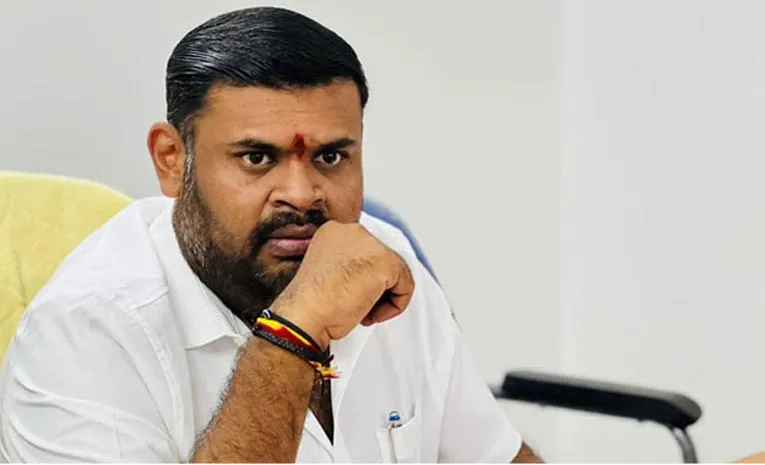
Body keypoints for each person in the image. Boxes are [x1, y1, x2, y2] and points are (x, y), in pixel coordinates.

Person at [0, 6, 541, 463]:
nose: (302, 195)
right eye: (257, 158)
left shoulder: (381, 256)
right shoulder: (85, 329)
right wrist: (297, 327)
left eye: (331, 157)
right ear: (171, 160)